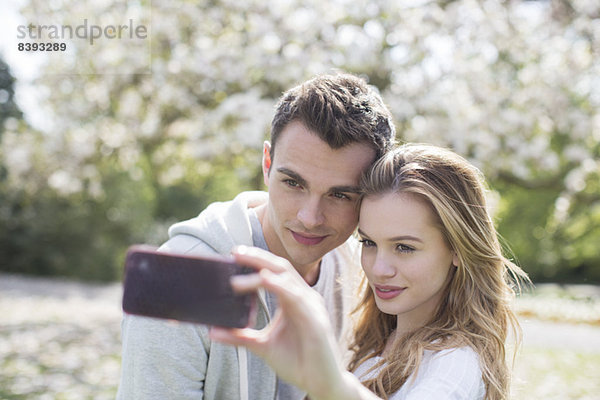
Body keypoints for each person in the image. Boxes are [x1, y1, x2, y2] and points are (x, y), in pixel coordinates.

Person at [116, 72, 396, 400]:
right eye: (293, 183)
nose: (309, 217)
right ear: (267, 164)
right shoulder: (180, 279)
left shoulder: (363, 274)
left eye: (340, 195)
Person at [212, 143, 530, 400]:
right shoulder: (378, 343)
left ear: (458, 249)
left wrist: (332, 386)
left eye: (404, 247)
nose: (378, 268)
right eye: (369, 243)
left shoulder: (456, 361)